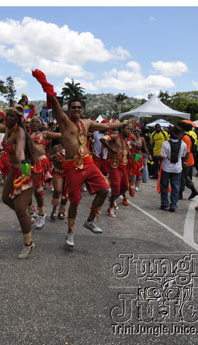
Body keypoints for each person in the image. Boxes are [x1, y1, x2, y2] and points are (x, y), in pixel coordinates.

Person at [32, 69, 124, 249]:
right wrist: (44, 82)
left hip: (88, 162)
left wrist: (123, 123)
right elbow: (55, 103)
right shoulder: (64, 122)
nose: (76, 109)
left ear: (83, 110)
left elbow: (107, 126)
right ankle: (70, 232)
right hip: (71, 166)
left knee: (105, 189)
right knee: (74, 202)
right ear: (68, 110)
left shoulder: (88, 123)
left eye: (79, 107)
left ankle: (90, 220)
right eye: (73, 107)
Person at [0, 104, 39, 259]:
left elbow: (20, 151)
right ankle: (28, 219)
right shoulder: (7, 130)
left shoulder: (20, 132)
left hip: (25, 170)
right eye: (7, 114)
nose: (8, 117)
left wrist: (24, 169)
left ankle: (28, 244)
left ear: (18, 119)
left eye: (12, 116)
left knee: (20, 208)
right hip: (14, 169)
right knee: (5, 199)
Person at [29, 116, 61, 229]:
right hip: (28, 164)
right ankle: (31, 213)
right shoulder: (26, 135)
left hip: (40, 163)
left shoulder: (45, 134)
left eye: (36, 122)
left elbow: (62, 135)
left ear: (41, 124)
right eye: (32, 122)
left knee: (37, 190)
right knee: (26, 189)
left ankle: (41, 214)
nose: (34, 123)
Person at [101, 125, 131, 217]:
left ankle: (112, 199)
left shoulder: (124, 139)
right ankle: (110, 207)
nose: (129, 131)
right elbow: (102, 139)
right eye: (128, 129)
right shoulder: (115, 135)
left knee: (126, 187)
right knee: (116, 188)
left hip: (123, 166)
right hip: (114, 166)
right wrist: (111, 149)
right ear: (122, 129)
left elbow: (124, 150)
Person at [158, 126, 187, 212]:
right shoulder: (183, 144)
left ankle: (164, 203)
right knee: (176, 186)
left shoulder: (165, 144)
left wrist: (159, 161)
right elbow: (183, 156)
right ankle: (173, 204)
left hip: (166, 168)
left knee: (164, 186)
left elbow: (162, 156)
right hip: (177, 168)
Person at [177, 122, 198, 200]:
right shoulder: (182, 136)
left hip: (187, 161)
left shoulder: (185, 138)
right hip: (186, 160)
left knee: (182, 177)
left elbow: (187, 151)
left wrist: (184, 162)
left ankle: (180, 193)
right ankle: (194, 190)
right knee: (185, 177)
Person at [49, 143, 69, 221]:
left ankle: (61, 211)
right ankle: (54, 209)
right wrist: (55, 157)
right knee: (57, 190)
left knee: (66, 193)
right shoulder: (56, 147)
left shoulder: (72, 147)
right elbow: (50, 158)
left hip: (68, 172)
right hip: (58, 171)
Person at [132, 125, 151, 191]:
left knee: (138, 171)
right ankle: (131, 184)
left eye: (138, 131)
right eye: (135, 131)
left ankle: (137, 185)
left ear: (140, 132)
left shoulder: (142, 139)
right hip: (132, 156)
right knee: (131, 171)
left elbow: (145, 148)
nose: (136, 132)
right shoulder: (131, 138)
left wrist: (149, 155)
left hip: (138, 156)